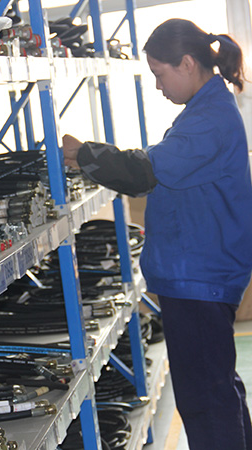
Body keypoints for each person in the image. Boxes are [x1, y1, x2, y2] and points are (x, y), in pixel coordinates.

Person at [62, 18, 252, 450]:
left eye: (160, 74)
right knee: (218, 389)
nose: (157, 86)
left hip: (199, 279)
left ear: (187, 63)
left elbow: (143, 172)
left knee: (206, 401)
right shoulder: (204, 111)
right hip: (197, 275)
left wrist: (84, 153)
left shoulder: (210, 120)